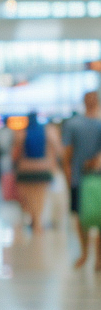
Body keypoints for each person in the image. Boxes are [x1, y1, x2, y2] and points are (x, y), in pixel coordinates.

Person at [62, 90, 101, 269]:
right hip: (80, 178)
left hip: (93, 176)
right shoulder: (74, 125)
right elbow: (67, 153)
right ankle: (86, 253)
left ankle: (97, 257)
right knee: (81, 216)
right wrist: (68, 174)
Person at [13, 111, 60, 232]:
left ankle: (34, 219)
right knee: (40, 197)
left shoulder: (22, 132)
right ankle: (37, 221)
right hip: (43, 168)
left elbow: (16, 153)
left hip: (25, 170)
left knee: (28, 197)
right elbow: (56, 149)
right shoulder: (48, 131)